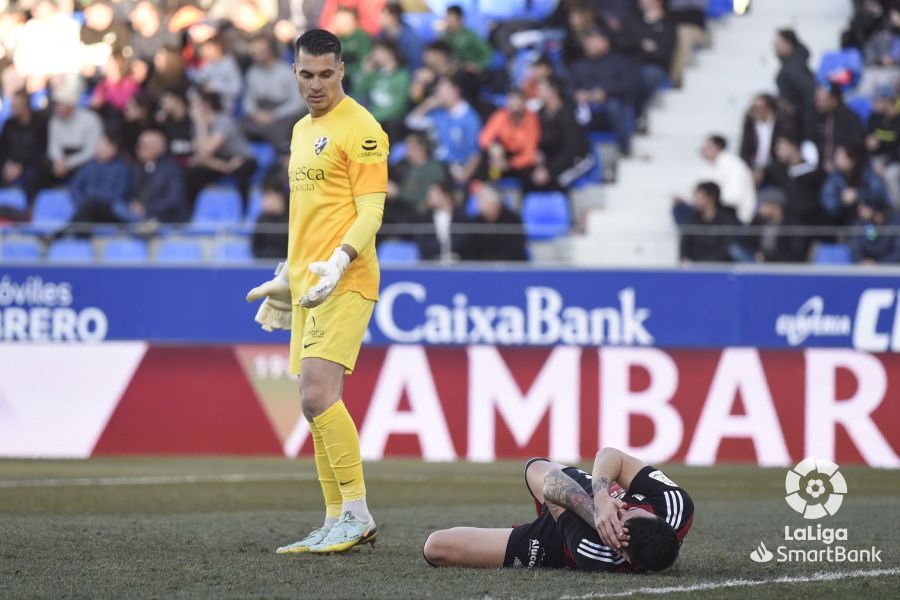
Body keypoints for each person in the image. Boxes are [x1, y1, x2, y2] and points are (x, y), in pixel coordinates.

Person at [245, 29, 387, 555]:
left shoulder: (363, 129)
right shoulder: (302, 130)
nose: (316, 84)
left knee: (316, 395)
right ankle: (334, 519)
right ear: (295, 72)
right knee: (313, 405)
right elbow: (309, 214)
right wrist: (290, 272)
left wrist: (338, 260)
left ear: (342, 71)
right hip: (309, 285)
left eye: (326, 74)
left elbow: (371, 210)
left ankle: (358, 515)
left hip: (346, 279)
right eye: (306, 74)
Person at [423, 447, 693, 572]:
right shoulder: (675, 505)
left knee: (436, 548)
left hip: (558, 538)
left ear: (621, 547)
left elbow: (553, 489)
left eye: (621, 516)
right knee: (534, 465)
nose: (623, 506)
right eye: (631, 508)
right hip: (590, 492)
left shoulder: (595, 553)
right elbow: (612, 455)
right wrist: (601, 496)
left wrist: (596, 516)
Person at [570, 28, 643, 155]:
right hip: (585, 107)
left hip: (611, 105)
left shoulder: (619, 61)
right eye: (588, 41)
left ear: (605, 43)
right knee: (567, 108)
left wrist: (605, 92)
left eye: (594, 41)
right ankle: (574, 151)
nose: (590, 44)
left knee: (614, 105)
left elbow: (629, 84)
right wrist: (577, 94)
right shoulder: (579, 65)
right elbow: (568, 86)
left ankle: (625, 149)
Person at [184, 90, 257, 212]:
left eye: (195, 104)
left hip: (241, 159)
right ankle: (189, 214)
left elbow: (207, 150)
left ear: (206, 105)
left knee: (242, 172)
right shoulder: (198, 125)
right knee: (192, 173)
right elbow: (199, 157)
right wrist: (223, 167)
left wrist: (200, 125)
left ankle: (244, 213)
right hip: (220, 162)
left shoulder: (223, 121)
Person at [405, 75, 482, 187]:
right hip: (437, 166)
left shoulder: (470, 119)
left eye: (441, 89)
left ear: (455, 91)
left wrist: (465, 174)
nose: (437, 93)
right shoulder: (439, 114)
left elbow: (476, 153)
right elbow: (411, 121)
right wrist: (428, 104)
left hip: (455, 168)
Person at [242, 35, 307, 154]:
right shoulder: (252, 72)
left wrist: (275, 114)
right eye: (254, 52)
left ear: (270, 51)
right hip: (260, 112)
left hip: (283, 113)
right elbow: (248, 100)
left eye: (260, 51)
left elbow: (299, 101)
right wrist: (255, 113)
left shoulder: (286, 71)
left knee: (281, 129)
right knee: (238, 127)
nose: (256, 55)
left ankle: (284, 160)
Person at [113, 129, 187, 226]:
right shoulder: (136, 168)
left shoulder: (171, 170)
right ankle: (143, 224)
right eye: (139, 146)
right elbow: (128, 193)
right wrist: (133, 204)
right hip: (138, 213)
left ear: (157, 148)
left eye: (144, 146)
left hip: (164, 217)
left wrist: (147, 208)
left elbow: (173, 200)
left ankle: (144, 224)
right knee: (118, 205)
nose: (139, 149)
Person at [534, 76, 595, 191]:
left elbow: (572, 149)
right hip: (554, 158)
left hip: (578, 159)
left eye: (541, 89)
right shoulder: (540, 113)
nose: (538, 93)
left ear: (553, 91)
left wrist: (549, 170)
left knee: (559, 180)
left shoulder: (568, 113)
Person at [40, 83, 103, 190]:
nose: (56, 108)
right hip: (61, 160)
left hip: (82, 160)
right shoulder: (54, 120)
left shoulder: (91, 119)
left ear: (69, 105)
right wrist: (59, 161)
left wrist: (69, 164)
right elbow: (53, 146)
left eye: (59, 104)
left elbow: (91, 151)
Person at [65, 132, 132, 233]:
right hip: (87, 208)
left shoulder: (122, 168)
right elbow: (74, 188)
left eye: (104, 145)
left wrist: (95, 199)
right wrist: (84, 202)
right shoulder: (88, 166)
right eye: (99, 144)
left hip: (108, 210)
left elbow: (119, 193)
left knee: (91, 204)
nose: (99, 148)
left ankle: (62, 232)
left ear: (114, 149)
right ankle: (76, 236)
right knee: (87, 211)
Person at [477, 88, 541, 187]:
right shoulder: (501, 115)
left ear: (524, 102)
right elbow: (484, 138)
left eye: (518, 100)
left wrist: (510, 164)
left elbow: (530, 153)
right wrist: (493, 147)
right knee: (488, 167)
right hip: (502, 155)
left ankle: (524, 199)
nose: (514, 103)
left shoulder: (532, 120)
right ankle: (489, 193)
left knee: (530, 173)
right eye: (511, 99)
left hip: (520, 160)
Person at [386, 131, 449, 223]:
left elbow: (424, 198)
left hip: (423, 217)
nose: (408, 152)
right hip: (400, 213)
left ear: (422, 147)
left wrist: (398, 192)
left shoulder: (433, 169)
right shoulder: (402, 167)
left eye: (412, 148)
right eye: (407, 148)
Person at [353, 39, 410, 140]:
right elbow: (358, 91)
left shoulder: (402, 76)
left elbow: (399, 105)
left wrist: (375, 116)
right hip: (374, 116)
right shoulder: (374, 74)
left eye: (378, 51)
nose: (374, 55)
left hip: (389, 119)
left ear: (390, 53)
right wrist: (365, 72)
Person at [820, 143, 889, 226]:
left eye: (841, 157)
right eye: (836, 156)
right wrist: (842, 200)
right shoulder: (834, 177)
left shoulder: (866, 172)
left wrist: (858, 194)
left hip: (873, 218)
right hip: (846, 223)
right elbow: (827, 204)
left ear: (851, 160)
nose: (836, 159)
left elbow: (879, 193)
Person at [674, 181, 743, 263]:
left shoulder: (727, 219)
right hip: (697, 267)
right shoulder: (692, 219)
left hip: (722, 267)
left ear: (711, 198)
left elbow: (727, 247)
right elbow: (685, 245)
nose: (695, 201)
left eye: (699, 198)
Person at [458, 183, 527, 261]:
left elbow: (516, 249)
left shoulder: (513, 220)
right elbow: (468, 249)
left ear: (494, 203)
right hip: (480, 268)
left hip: (508, 268)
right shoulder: (474, 222)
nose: (478, 204)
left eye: (482, 200)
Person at [740, 187, 811, 263]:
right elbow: (746, 242)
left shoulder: (793, 226)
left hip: (782, 267)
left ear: (775, 206)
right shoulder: (758, 221)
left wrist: (767, 258)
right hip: (756, 262)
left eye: (762, 205)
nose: (759, 209)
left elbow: (795, 255)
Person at [0, 89, 48, 200]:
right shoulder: (9, 123)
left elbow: (40, 151)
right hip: (10, 164)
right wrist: (7, 164)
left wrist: (21, 166)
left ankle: (27, 210)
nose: (11, 108)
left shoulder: (40, 123)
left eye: (15, 106)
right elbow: (3, 148)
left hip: (31, 165)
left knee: (33, 175)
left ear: (25, 107)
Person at [699, 135, 757, 224]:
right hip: (717, 212)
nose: (703, 149)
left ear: (717, 147)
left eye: (707, 146)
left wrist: (709, 203)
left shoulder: (734, 165)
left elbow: (734, 198)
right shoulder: (711, 167)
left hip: (736, 216)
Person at [774, 29, 816, 137]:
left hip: (798, 123)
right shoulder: (792, 63)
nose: (775, 46)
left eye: (778, 43)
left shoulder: (794, 67)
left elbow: (809, 93)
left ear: (788, 44)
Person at [813, 85, 865, 172]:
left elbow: (855, 146)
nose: (817, 103)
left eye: (821, 100)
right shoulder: (817, 116)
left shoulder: (850, 118)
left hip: (846, 169)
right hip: (820, 166)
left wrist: (836, 161)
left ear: (833, 100)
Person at [739, 94, 785, 187]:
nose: (755, 111)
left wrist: (766, 170)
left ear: (769, 108)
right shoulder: (750, 123)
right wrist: (754, 168)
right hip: (755, 169)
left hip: (777, 168)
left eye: (759, 108)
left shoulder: (782, 122)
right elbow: (745, 150)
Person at [866, 86, 900, 207]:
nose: (873, 103)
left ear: (887, 101)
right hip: (875, 160)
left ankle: (896, 214)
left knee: (890, 175)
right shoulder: (873, 118)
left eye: (877, 100)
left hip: (894, 161)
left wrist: (885, 164)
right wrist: (868, 145)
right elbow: (867, 143)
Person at [415, 181, 467, 260]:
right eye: (429, 195)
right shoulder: (424, 218)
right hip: (431, 262)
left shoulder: (461, 217)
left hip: (460, 262)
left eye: (434, 195)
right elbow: (423, 243)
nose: (429, 197)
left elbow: (463, 241)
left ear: (446, 196)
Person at [192, 36, 243, 111]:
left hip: (229, 108)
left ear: (218, 48)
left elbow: (237, 88)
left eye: (208, 49)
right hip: (210, 106)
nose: (205, 53)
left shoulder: (229, 63)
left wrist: (214, 86)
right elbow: (200, 79)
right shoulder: (207, 65)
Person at [851, 193, 900, 264]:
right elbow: (856, 250)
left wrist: (877, 263)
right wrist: (862, 261)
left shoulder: (896, 222)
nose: (860, 210)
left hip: (892, 271)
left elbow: (898, 253)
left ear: (877, 210)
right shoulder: (860, 224)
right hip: (866, 271)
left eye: (864, 207)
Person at [441, 5, 493, 72]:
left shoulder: (469, 35)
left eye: (449, 17)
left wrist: (478, 64)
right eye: (445, 17)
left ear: (459, 18)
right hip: (454, 68)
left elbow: (487, 52)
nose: (446, 20)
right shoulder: (446, 35)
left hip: (469, 70)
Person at [379, 3, 424, 70]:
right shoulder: (382, 34)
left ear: (394, 17)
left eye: (384, 16)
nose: (381, 20)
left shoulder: (410, 38)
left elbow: (416, 63)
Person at [252, 182, 289, 259]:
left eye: (268, 196)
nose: (264, 201)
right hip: (263, 265)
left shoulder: (290, 218)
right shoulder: (261, 219)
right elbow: (255, 248)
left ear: (279, 197)